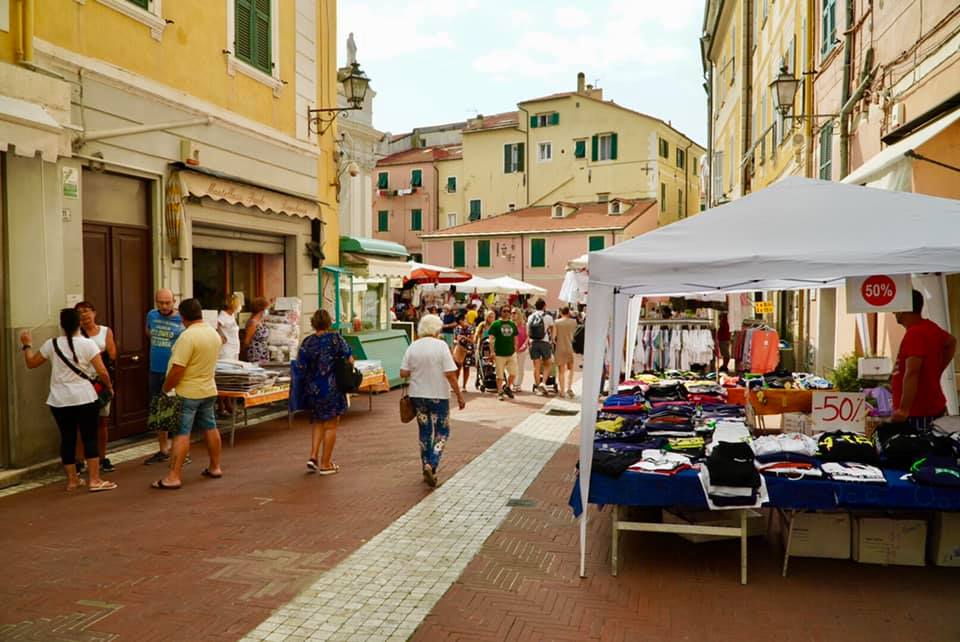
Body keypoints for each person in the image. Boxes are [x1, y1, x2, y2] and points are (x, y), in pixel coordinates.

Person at [20, 309, 116, 492]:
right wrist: (109, 386)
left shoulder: (52, 344)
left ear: (61, 325)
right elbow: (102, 371)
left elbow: (31, 363)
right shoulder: (88, 345)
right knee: (89, 437)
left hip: (59, 400)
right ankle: (94, 480)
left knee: (68, 438)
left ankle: (72, 480)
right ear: (79, 323)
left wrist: (27, 345)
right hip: (85, 397)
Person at [152, 298, 223, 489]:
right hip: (208, 388)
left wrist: (166, 388)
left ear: (182, 317)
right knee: (210, 427)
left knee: (181, 433)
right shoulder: (213, 334)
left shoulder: (187, 337)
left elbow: (177, 369)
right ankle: (215, 466)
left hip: (188, 391)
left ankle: (173, 476)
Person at [399, 314, 465, 488]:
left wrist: (418, 369)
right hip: (439, 395)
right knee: (442, 431)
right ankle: (432, 464)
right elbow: (450, 373)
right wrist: (459, 395)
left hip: (417, 396)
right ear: (436, 328)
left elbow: (403, 372)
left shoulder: (413, 346)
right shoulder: (441, 346)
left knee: (424, 432)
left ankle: (424, 466)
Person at [295, 309, 353, 474]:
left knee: (318, 421)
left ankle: (313, 456)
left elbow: (300, 366)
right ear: (329, 323)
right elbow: (349, 358)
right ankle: (325, 463)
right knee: (331, 425)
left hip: (313, 389)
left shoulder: (307, 342)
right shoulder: (336, 339)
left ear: (313, 323)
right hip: (332, 387)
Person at [891, 290, 957, 429]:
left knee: (916, 449)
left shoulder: (916, 333)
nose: (893, 312)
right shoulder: (929, 327)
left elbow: (912, 372)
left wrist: (904, 409)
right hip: (928, 408)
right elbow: (951, 342)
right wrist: (937, 369)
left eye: (896, 308)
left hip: (918, 413)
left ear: (903, 309)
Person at [75, 301, 118, 473]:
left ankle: (102, 457)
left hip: (101, 382)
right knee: (81, 423)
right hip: (83, 382)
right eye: (79, 312)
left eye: (86, 311)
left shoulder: (106, 331)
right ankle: (79, 459)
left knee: (102, 421)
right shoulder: (76, 334)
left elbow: (112, 353)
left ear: (94, 313)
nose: (84, 315)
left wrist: (92, 355)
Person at [144, 288, 184, 465]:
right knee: (158, 410)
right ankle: (163, 450)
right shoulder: (151, 315)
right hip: (155, 369)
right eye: (160, 302)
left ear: (174, 301)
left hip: (173, 370)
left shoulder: (181, 319)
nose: (164, 306)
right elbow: (148, 332)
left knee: (176, 410)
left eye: (168, 302)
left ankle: (181, 451)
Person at [487, 305, 518, 401]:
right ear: (501, 312)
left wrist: (515, 347)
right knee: (499, 375)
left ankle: (507, 387)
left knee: (513, 373)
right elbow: (491, 339)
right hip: (499, 354)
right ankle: (500, 392)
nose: (507, 313)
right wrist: (492, 352)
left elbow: (515, 337)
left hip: (511, 353)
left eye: (508, 311)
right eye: (504, 311)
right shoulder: (495, 324)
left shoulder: (513, 324)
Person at [527, 299, 555, 394]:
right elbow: (552, 329)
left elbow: (528, 331)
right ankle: (543, 383)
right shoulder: (548, 317)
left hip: (533, 342)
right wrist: (552, 339)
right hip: (544, 342)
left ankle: (538, 387)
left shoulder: (530, 317)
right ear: (544, 306)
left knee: (536, 367)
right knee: (548, 363)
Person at [553, 306, 578, 398]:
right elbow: (575, 334)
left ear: (560, 312)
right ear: (568, 312)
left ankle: (562, 391)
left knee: (561, 371)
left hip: (560, 348)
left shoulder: (557, 322)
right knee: (571, 369)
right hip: (570, 347)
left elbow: (554, 338)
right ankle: (569, 388)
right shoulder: (573, 322)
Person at [242, 297, 270, 364]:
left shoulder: (260, 322)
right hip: (256, 354)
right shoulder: (253, 323)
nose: (267, 311)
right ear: (262, 310)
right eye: (267, 309)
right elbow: (247, 341)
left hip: (264, 353)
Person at [452, 312, 476, 392]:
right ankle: (455, 386)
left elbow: (473, 341)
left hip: (468, 350)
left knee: (466, 368)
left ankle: (464, 386)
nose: (466, 320)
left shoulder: (471, 328)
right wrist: (456, 341)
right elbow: (454, 339)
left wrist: (463, 337)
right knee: (457, 368)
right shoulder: (457, 329)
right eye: (464, 319)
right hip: (459, 351)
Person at [217, 294, 241, 361]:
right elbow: (215, 325)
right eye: (238, 304)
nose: (240, 306)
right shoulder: (223, 315)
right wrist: (221, 335)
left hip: (235, 349)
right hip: (226, 350)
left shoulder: (232, 315)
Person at [512, 308, 529, 393]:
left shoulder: (524, 325)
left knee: (520, 367)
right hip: (512, 349)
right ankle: (514, 384)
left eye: (514, 313)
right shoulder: (510, 324)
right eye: (512, 313)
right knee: (513, 367)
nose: (513, 314)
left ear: (519, 314)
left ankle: (518, 384)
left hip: (522, 349)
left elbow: (527, 336)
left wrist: (524, 345)